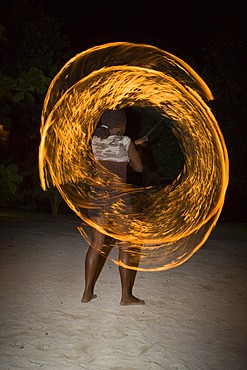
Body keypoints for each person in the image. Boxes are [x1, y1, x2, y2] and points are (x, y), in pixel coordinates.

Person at [81, 109, 147, 305]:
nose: (126, 127)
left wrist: (135, 143)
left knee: (96, 243)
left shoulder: (95, 139)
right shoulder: (125, 142)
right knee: (125, 244)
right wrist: (136, 149)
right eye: (124, 124)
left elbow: (112, 145)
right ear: (119, 126)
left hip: (97, 197)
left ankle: (86, 293)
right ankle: (126, 296)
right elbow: (139, 168)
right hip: (118, 199)